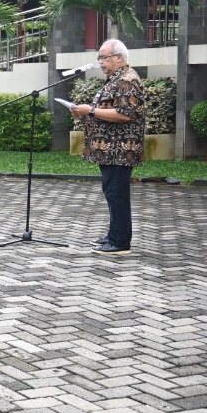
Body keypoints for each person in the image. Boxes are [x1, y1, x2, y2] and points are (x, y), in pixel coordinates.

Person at [69, 39, 145, 257]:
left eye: (104, 57)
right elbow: (107, 109)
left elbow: (125, 114)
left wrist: (90, 111)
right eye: (99, 58)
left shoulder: (127, 80)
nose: (100, 62)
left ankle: (121, 242)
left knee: (117, 194)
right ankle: (114, 235)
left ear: (119, 58)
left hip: (120, 149)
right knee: (111, 192)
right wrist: (84, 111)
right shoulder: (115, 79)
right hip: (109, 149)